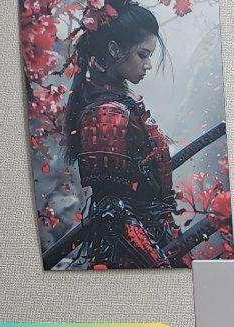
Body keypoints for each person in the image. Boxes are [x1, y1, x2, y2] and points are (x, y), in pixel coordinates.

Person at [62, 1, 186, 268]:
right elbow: (113, 210)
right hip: (132, 255)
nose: (148, 65)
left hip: (155, 239)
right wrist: (158, 263)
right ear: (114, 49)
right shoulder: (105, 114)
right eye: (143, 55)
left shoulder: (121, 102)